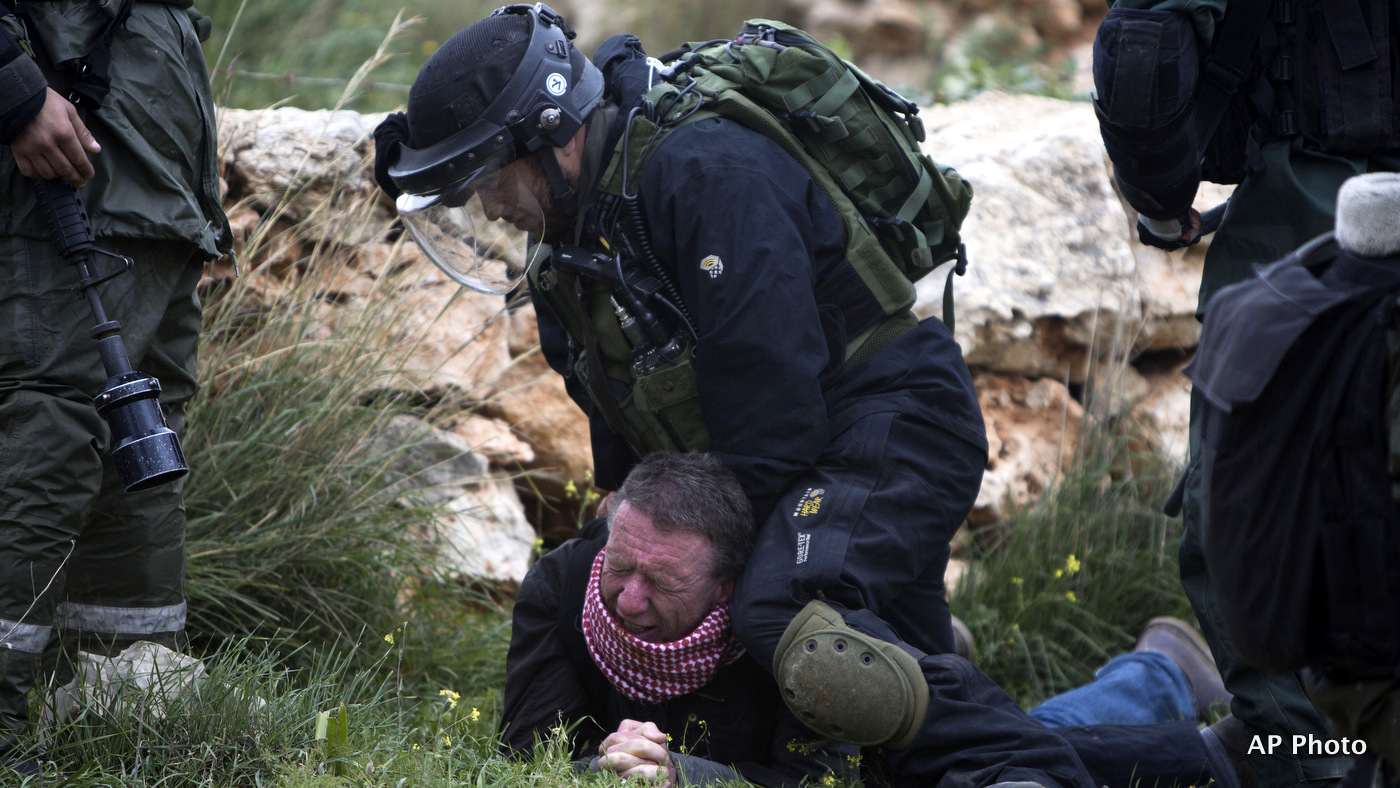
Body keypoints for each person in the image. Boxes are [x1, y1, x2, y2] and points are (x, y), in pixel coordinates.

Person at [372, 6, 1035, 781]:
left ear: (551, 136)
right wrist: (620, 525)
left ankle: (1105, 761)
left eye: (490, 178)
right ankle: (1131, 700)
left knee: (790, 623)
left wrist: (698, 567)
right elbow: (616, 415)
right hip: (798, 445)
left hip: (891, 426)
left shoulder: (704, 171)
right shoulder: (570, 245)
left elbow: (774, 420)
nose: (489, 206)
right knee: (891, 728)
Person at [502, 451, 1244, 788]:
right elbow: (527, 753)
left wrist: (685, 778)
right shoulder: (563, 591)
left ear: (728, 587)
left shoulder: (783, 634)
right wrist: (605, 770)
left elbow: (821, 781)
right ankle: (1163, 669)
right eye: (621, 565)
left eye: (662, 583)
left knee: (1026, 748)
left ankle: (1181, 692)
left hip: (880, 757)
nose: (627, 600)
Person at [1091, 2, 1400, 786]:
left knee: (1256, 504)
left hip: (1314, 204)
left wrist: (1161, 200)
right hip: (1319, 196)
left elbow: (1146, 49)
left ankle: (1314, 758)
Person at [0, 0, 229, 774]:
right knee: (51, 432)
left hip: (157, 195)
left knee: (144, 447)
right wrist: (13, 87)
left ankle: (121, 713)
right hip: (62, 188)